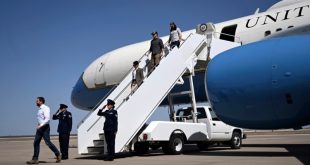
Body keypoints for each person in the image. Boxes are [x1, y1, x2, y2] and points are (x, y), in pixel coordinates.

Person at [27, 97, 61, 164]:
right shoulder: (39, 109)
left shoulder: (46, 108)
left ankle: (57, 154)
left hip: (45, 127)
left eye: (37, 101)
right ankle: (35, 159)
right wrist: (39, 125)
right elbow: (41, 119)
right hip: (40, 127)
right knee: (36, 143)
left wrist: (41, 125)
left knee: (47, 142)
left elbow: (47, 119)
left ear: (41, 101)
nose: (36, 102)